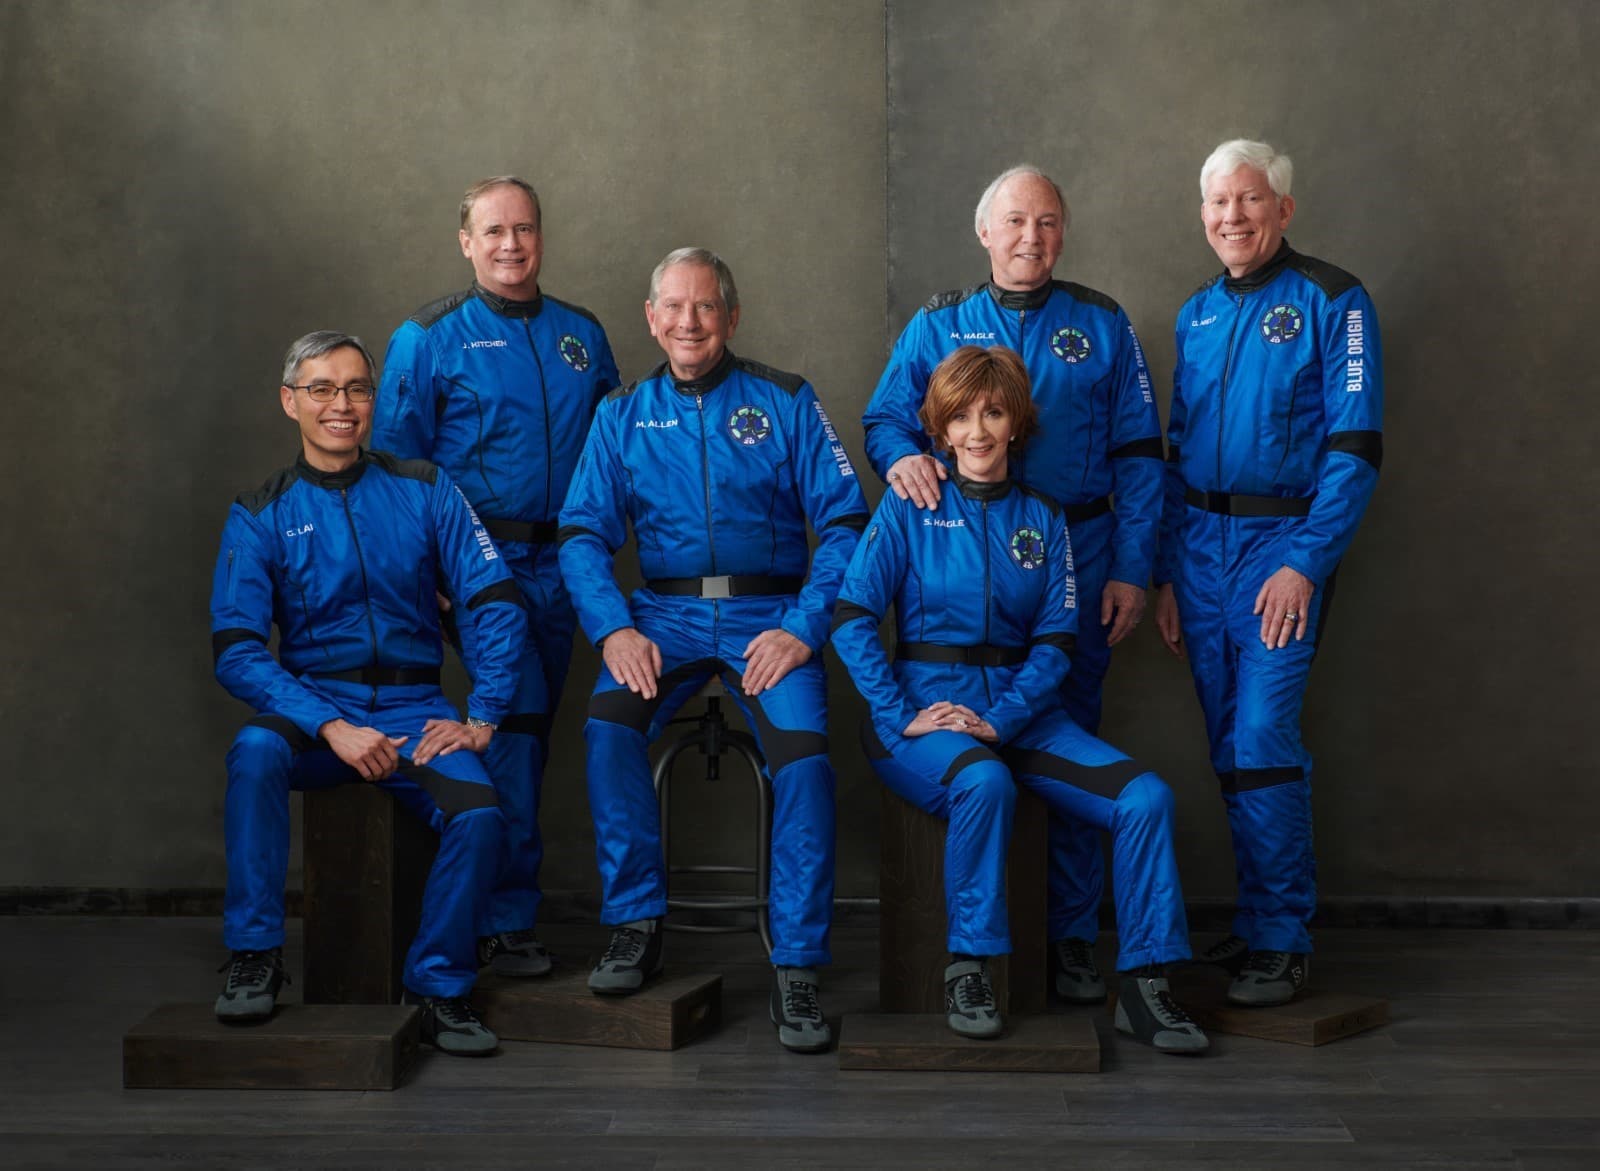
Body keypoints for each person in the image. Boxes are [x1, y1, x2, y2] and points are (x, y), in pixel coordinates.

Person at [835, 345, 1206, 1052]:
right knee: (983, 780)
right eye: (962, 417)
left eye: (994, 413)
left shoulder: (1044, 518)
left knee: (1146, 797)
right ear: (939, 430)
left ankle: (1147, 983)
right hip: (921, 716)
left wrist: (1002, 717)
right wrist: (897, 711)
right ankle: (970, 965)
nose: (978, 431)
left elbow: (1057, 642)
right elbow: (852, 618)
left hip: (1021, 713)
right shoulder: (909, 508)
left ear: (1016, 425)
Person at [861, 166, 1165, 1005]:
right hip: (950, 549)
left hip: (1077, 554)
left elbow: (1141, 452)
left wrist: (1134, 567)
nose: (1031, 236)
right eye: (1015, 221)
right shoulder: (939, 323)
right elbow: (886, 418)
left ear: (1064, 233)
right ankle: (981, 954)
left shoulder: (1103, 324)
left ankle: (1069, 937)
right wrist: (905, 465)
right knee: (991, 773)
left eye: (1048, 222)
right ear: (984, 232)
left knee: (1067, 734)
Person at [557, 248, 868, 1053]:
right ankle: (635, 921)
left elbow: (844, 522)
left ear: (732, 316)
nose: (689, 322)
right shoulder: (621, 415)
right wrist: (614, 627)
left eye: (706, 308)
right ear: (652, 318)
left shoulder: (787, 399)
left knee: (804, 761)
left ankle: (796, 962)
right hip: (663, 615)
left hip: (773, 612)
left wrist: (804, 627)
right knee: (606, 727)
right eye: (674, 308)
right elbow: (583, 533)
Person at [210, 331, 528, 1055]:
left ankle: (440, 984)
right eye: (321, 388)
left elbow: (494, 597)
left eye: (355, 387)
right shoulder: (260, 511)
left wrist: (483, 713)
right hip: (317, 708)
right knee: (254, 750)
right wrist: (328, 724)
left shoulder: (424, 486)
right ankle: (255, 954)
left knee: (479, 816)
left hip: (418, 712)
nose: (341, 404)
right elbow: (235, 649)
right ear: (291, 402)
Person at [1154, 139, 1384, 1006]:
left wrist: (1305, 562)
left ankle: (1285, 938)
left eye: (1248, 201)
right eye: (1217, 203)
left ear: (1282, 210)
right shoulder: (1195, 314)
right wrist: (1170, 573)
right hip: (1201, 554)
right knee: (1228, 748)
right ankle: (1255, 924)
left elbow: (1355, 447)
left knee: (1262, 740)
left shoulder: (1334, 299)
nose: (1232, 217)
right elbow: (1175, 456)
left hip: (1279, 551)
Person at [373, 176, 620, 978]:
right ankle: (502, 918)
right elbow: (396, 470)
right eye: (493, 231)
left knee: (536, 732)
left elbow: (617, 454)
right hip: (482, 566)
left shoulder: (582, 334)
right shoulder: (429, 338)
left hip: (570, 564)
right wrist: (427, 573)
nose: (510, 245)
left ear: (541, 237)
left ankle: (485, 895)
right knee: (512, 728)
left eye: (524, 229)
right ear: (465, 242)